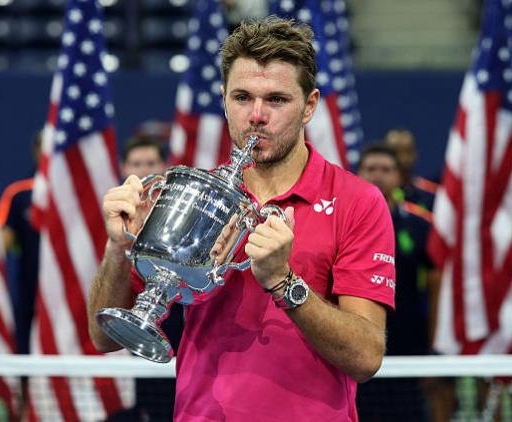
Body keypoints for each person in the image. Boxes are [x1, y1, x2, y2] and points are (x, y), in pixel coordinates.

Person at [88, 17, 395, 421]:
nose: (256, 115)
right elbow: (104, 336)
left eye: (277, 100)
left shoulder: (358, 201)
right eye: (242, 97)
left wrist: (284, 283)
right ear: (224, 99)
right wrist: (118, 246)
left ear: (310, 106)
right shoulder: (192, 196)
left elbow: (365, 356)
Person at [355, 143, 441, 421]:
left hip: (409, 346)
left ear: (399, 177)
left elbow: (436, 285)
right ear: (358, 174)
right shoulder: (344, 221)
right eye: (370, 169)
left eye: (386, 170)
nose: (377, 175)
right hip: (356, 343)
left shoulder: (420, 224)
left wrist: (431, 350)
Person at [119, 132, 184, 422]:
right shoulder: (115, 221)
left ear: (164, 166)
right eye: (136, 163)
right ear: (123, 169)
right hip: (134, 338)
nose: (143, 170)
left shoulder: (183, 216)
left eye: (150, 162)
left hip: (181, 335)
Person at [0, 131, 42, 355]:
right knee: (25, 353)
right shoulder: (18, 194)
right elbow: (0, 246)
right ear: (36, 152)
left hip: (76, 293)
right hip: (28, 293)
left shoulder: (83, 192)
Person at [385, 129, 437, 211]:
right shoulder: (377, 196)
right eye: (395, 152)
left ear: (415, 154)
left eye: (407, 151)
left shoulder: (431, 194)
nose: (403, 158)